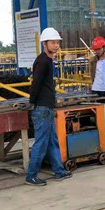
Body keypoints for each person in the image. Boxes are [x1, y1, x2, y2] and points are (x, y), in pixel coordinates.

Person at [26, 27, 73, 186]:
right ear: (44, 44)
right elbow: (36, 84)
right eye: (52, 43)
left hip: (47, 107)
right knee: (41, 143)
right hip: (42, 108)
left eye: (57, 43)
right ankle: (31, 176)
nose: (56, 45)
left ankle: (59, 171)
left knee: (52, 141)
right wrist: (33, 101)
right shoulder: (42, 62)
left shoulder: (47, 60)